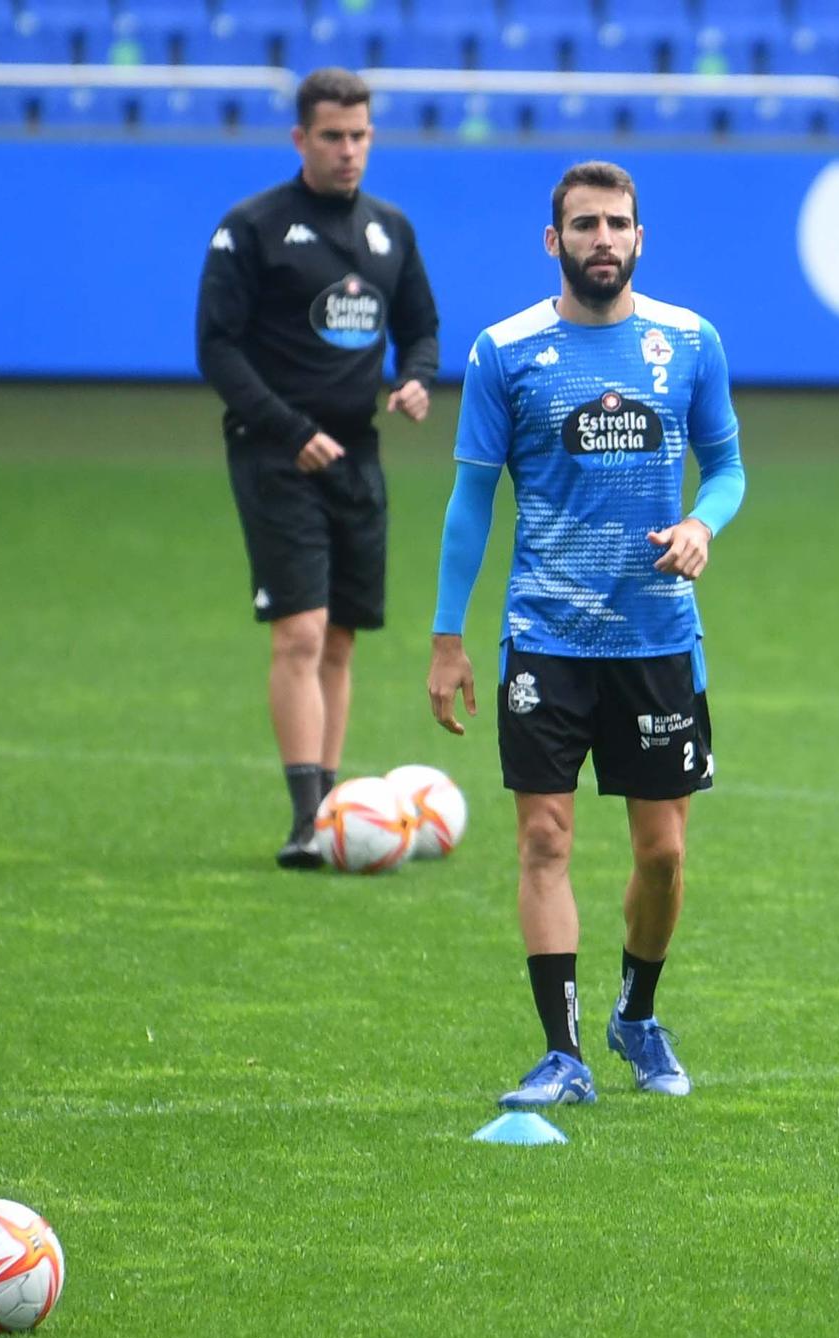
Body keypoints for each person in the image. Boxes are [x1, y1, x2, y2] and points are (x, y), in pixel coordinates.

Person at [426, 161, 746, 1106]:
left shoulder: (690, 342)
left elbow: (726, 468)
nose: (601, 239)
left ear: (640, 239)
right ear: (553, 240)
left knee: (663, 853)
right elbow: (469, 503)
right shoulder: (505, 351)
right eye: (584, 225)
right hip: (547, 637)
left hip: (656, 640)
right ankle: (563, 1054)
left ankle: (635, 1015)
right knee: (544, 839)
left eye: (617, 224)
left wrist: (701, 524)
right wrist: (449, 635)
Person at [196, 67, 440, 868]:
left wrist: (414, 379)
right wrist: (287, 427)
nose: (348, 151)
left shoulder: (390, 230)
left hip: (357, 454)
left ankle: (334, 808)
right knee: (297, 631)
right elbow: (217, 348)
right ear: (300, 138)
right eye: (332, 136)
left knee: (340, 639)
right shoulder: (251, 228)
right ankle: (307, 821)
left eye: (360, 135)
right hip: (274, 450)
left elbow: (422, 327)